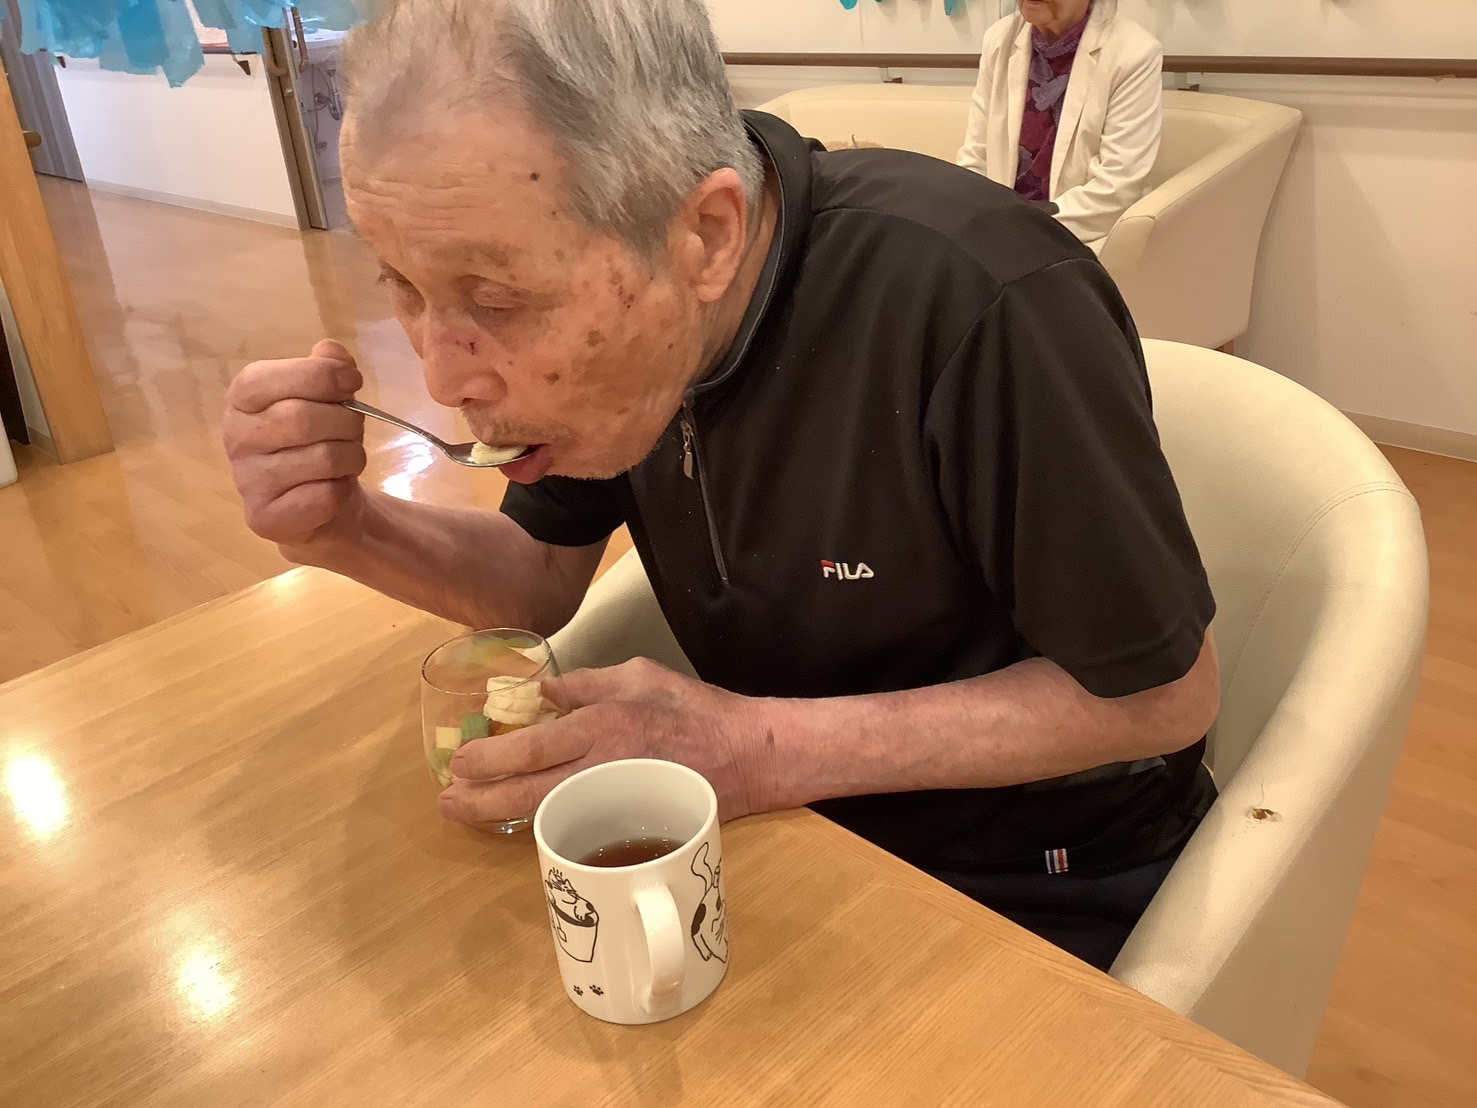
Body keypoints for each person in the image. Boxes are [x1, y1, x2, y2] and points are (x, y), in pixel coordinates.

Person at [221, 0, 1219, 971]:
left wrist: (760, 747)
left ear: (704, 235)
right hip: (783, 822)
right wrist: (345, 529)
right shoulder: (633, 318)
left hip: (1036, 877)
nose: (442, 377)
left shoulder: (977, 299)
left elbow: (1165, 695)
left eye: (496, 297)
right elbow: (536, 574)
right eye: (403, 285)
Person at [957, 0, 1164, 251]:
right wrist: (972, 219)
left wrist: (1021, 227)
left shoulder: (1134, 52)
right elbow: (976, 157)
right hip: (999, 229)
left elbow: (1117, 187)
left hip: (1080, 235)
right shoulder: (1000, 39)